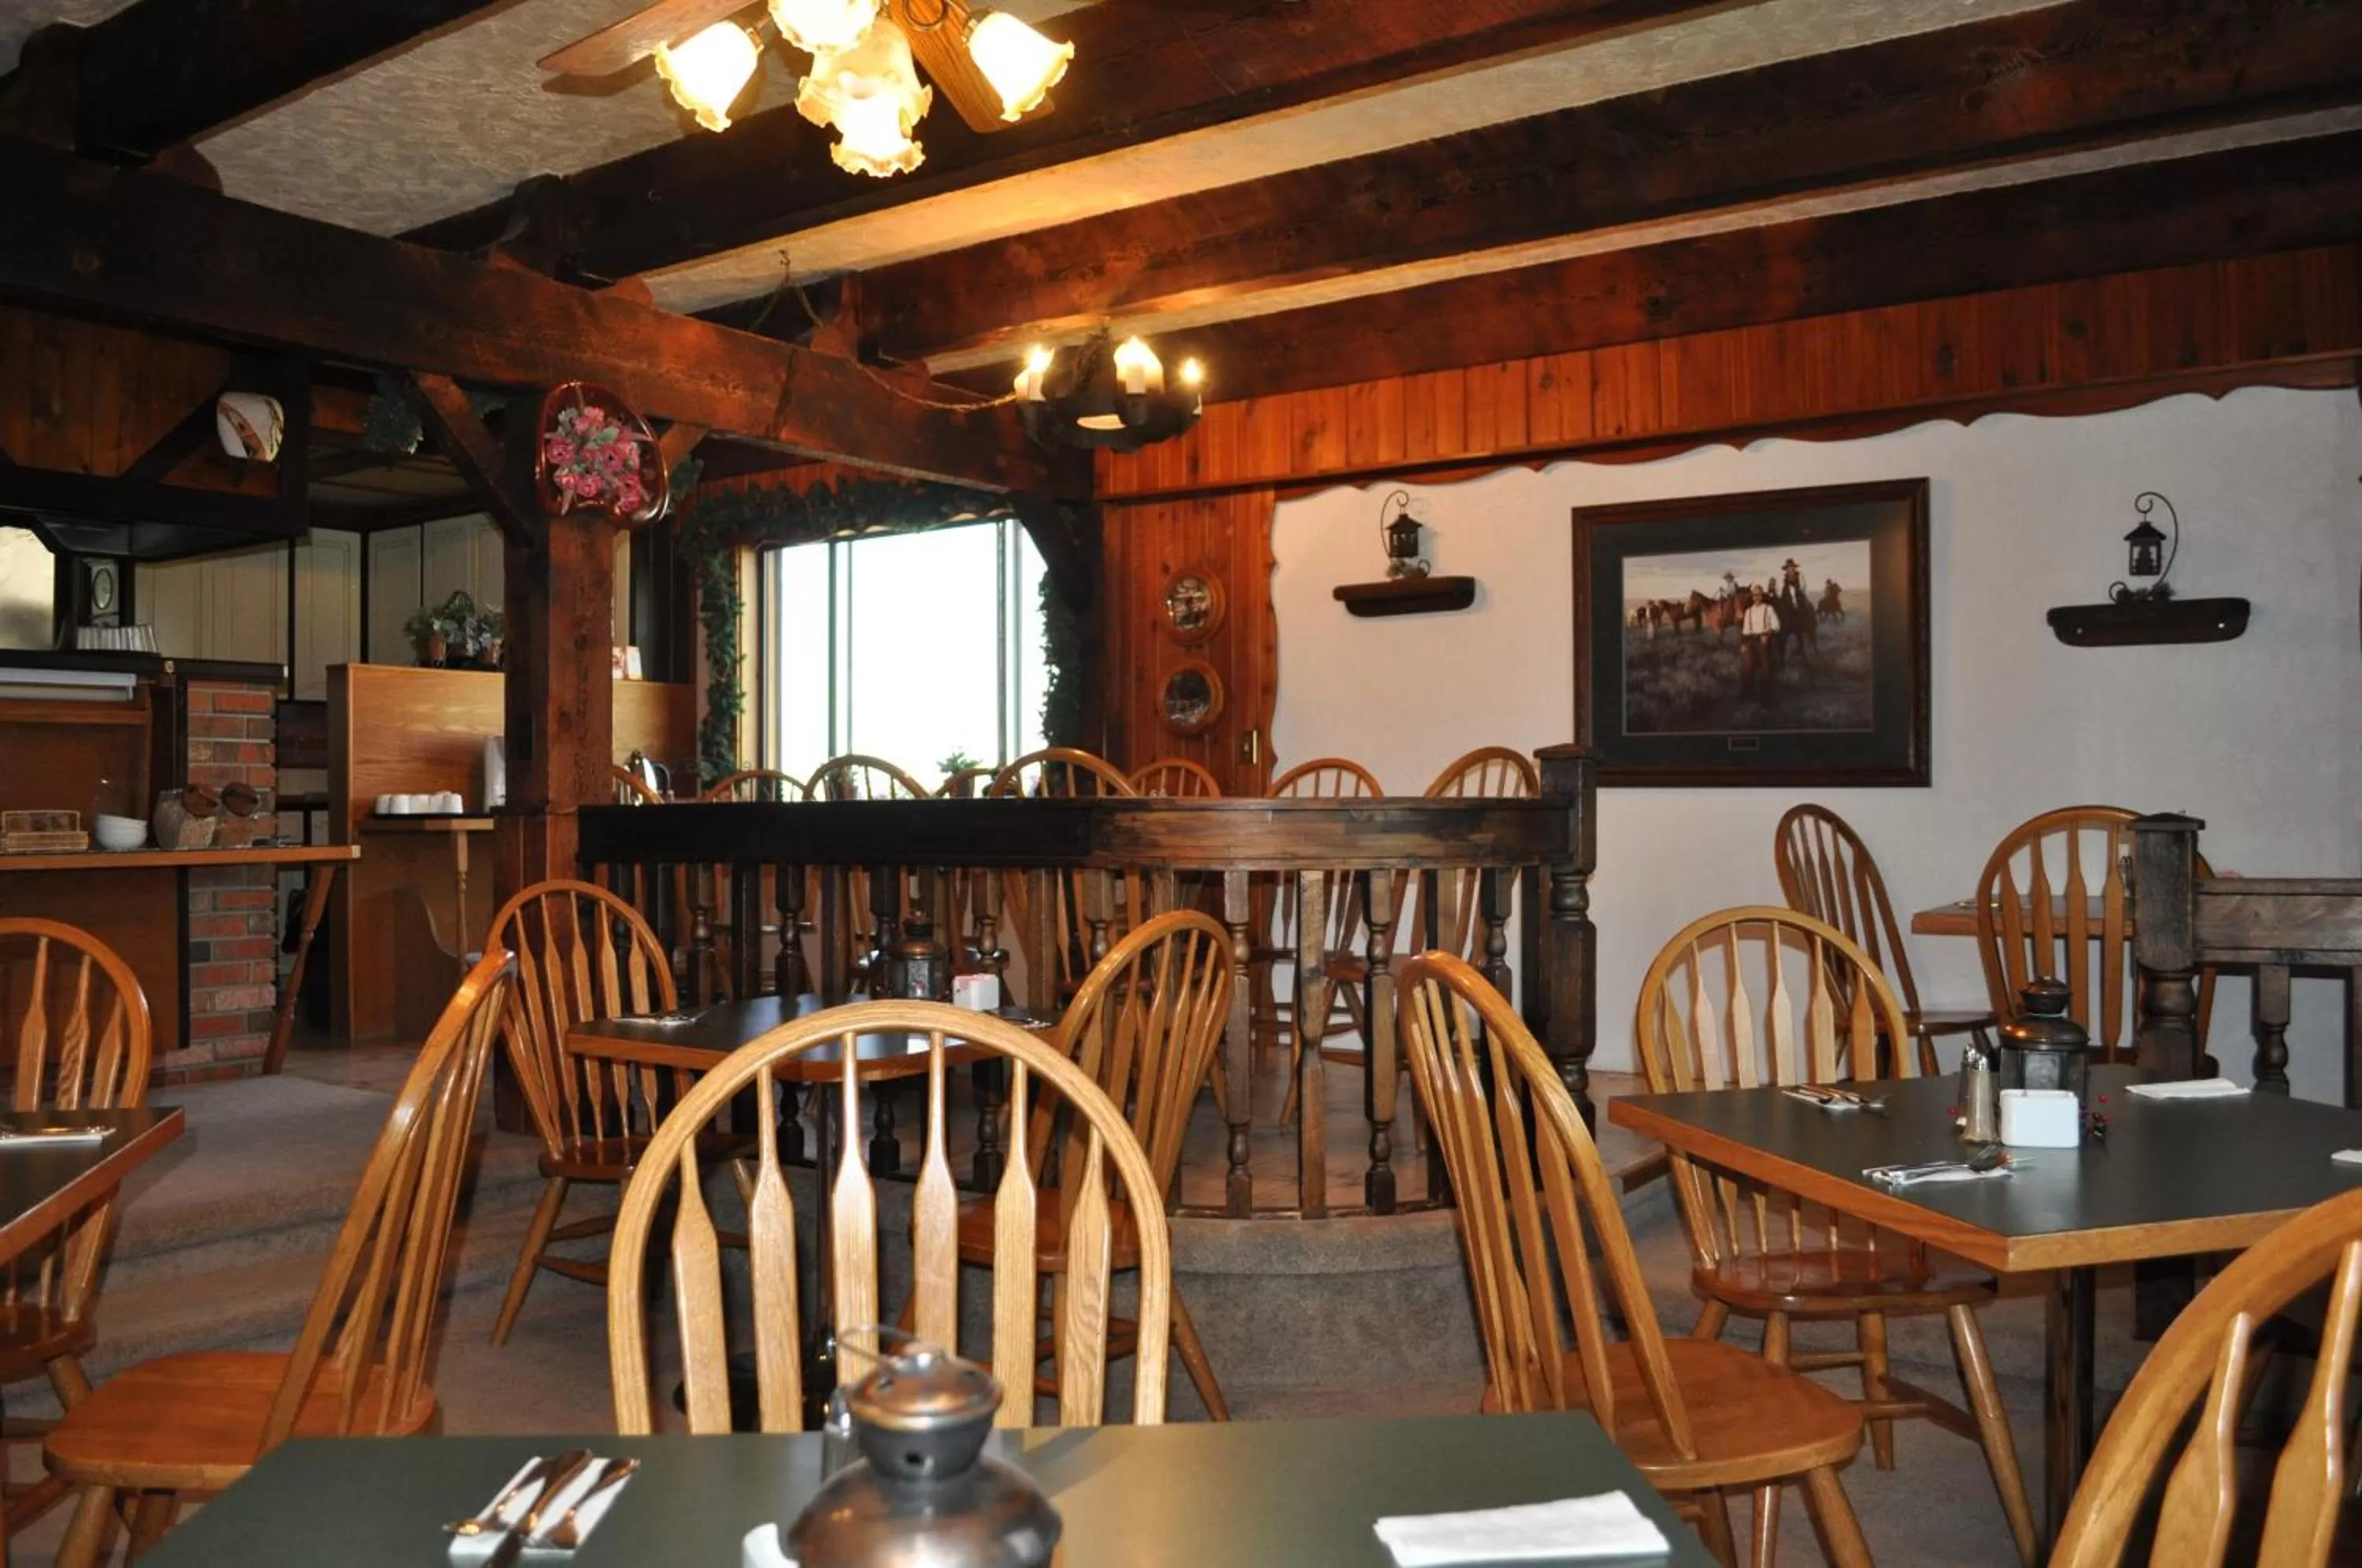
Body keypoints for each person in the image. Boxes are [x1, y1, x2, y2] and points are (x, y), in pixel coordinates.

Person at [1738, 583, 1779, 706]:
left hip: (1764, 640)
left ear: (1762, 596)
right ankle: (1746, 697)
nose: (1757, 597)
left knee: (1765, 670)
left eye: (1759, 595)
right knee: (1747, 669)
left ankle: (1765, 699)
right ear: (1752, 597)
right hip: (1750, 641)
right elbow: (1745, 630)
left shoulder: (1769, 608)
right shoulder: (1749, 612)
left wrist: (1767, 634)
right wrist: (1744, 644)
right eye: (1755, 595)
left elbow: (1777, 625)